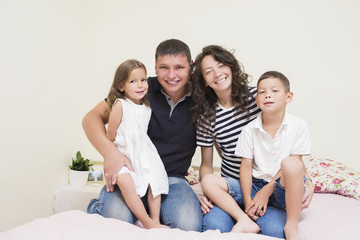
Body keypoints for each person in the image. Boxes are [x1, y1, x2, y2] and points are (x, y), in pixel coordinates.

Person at [191, 45, 313, 238]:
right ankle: (243, 218)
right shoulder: (207, 116)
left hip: (270, 182)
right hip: (233, 185)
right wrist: (208, 191)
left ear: (231, 67)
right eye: (208, 71)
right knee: (214, 225)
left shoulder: (258, 97)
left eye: (221, 65)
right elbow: (206, 164)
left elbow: (287, 146)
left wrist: (308, 181)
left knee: (274, 231)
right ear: (204, 81)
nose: (217, 74)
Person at [83, 39, 202, 231]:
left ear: (191, 66)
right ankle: (97, 208)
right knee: (115, 219)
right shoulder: (140, 89)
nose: (171, 75)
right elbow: (90, 118)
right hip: (133, 172)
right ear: (155, 66)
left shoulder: (201, 98)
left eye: (179, 67)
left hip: (173, 178)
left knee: (186, 224)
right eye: (164, 67)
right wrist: (111, 153)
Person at [235, 71, 312, 240]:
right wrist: (249, 202)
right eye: (262, 92)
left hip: (284, 187)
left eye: (275, 91)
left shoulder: (298, 126)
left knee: (290, 163)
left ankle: (292, 226)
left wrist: (266, 191)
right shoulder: (249, 129)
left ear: (288, 97)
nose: (268, 95)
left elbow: (296, 164)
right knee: (212, 183)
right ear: (257, 100)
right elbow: (246, 166)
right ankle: (248, 219)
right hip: (256, 185)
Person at [105, 59, 169, 229]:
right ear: (121, 86)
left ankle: (155, 220)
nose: (140, 85)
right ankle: (146, 221)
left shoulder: (146, 107)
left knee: (155, 179)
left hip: (144, 151)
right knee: (126, 182)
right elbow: (110, 135)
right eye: (133, 81)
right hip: (124, 154)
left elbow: (141, 135)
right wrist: (115, 157)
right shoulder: (121, 105)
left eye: (143, 80)